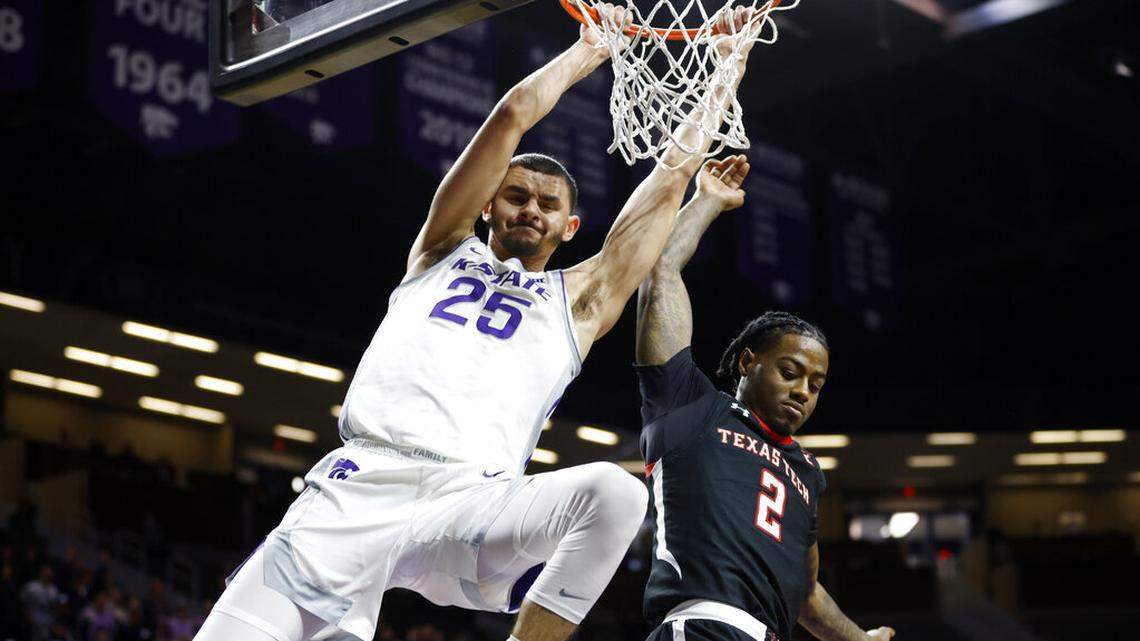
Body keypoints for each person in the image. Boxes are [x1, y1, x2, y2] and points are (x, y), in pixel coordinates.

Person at [195, 7, 763, 641]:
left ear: (570, 228)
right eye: (517, 196)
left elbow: (672, 174)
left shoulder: (580, 302)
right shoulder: (439, 253)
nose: (532, 210)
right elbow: (511, 117)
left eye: (550, 205)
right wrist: (589, 51)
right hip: (356, 488)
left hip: (469, 501)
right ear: (489, 203)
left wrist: (727, 68)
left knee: (617, 495)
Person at [633, 156, 897, 641]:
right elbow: (660, 274)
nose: (802, 391)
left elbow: (806, 593)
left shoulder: (808, 473)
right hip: (704, 626)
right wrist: (706, 204)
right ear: (747, 362)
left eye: (815, 385)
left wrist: (858, 639)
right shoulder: (692, 408)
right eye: (790, 372)